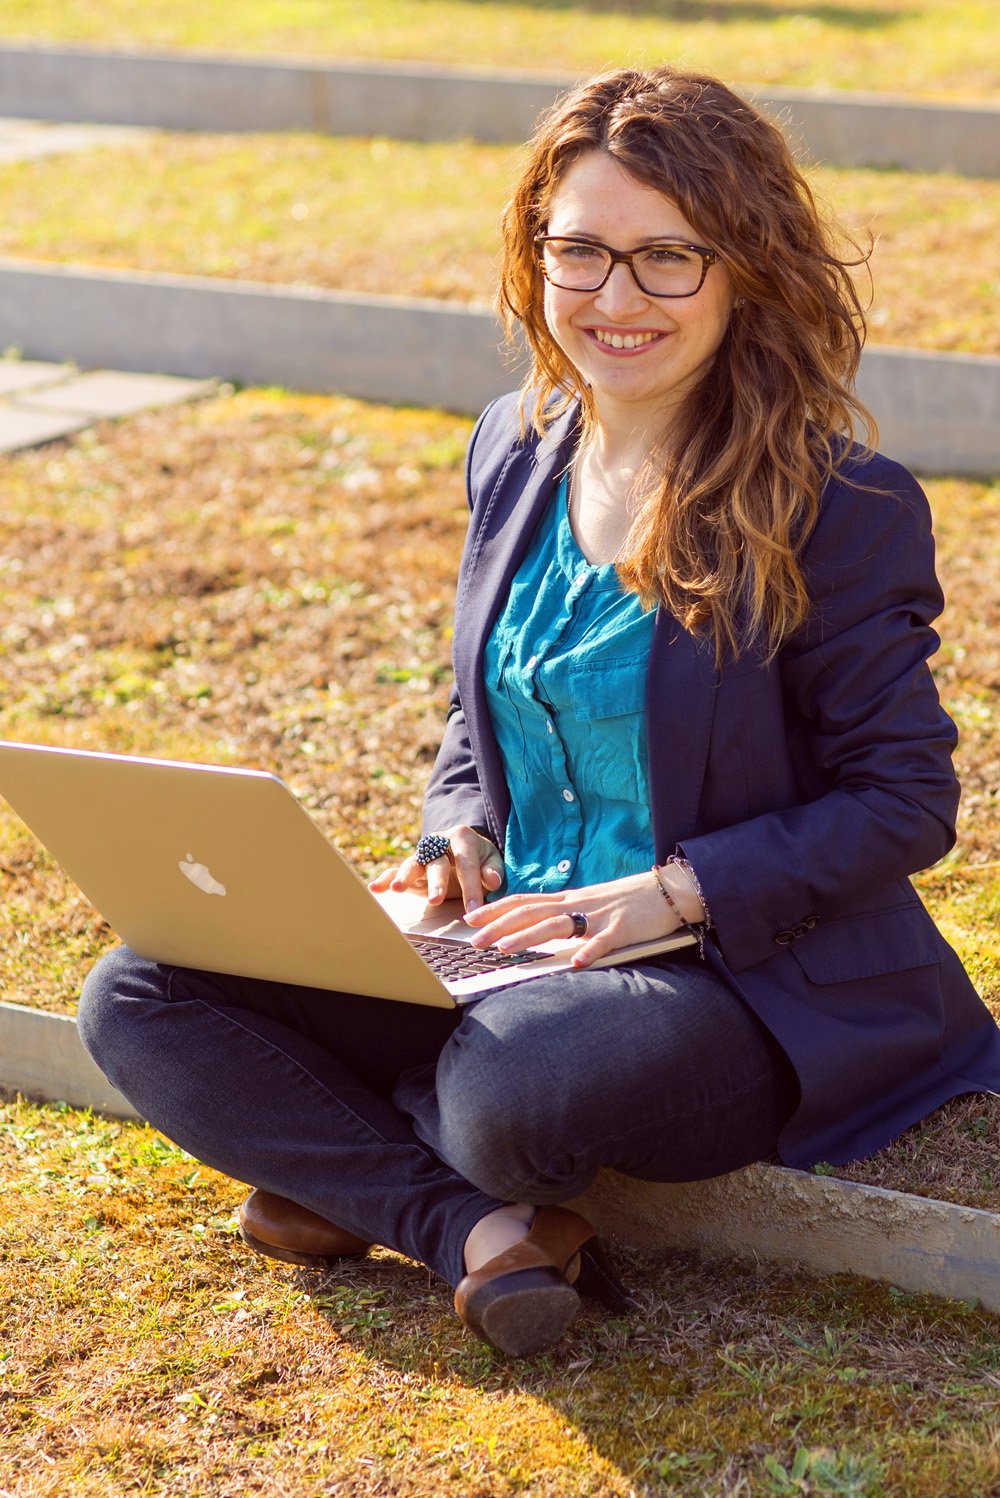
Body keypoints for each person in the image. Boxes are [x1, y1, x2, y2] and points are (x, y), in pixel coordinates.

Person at [78, 65, 1000, 1360]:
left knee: (505, 1089)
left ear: (742, 266)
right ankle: (475, 1233)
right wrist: (456, 826)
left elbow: (906, 802)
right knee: (142, 988)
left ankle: (365, 1170)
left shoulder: (840, 501)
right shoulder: (513, 441)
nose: (616, 298)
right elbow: (484, 712)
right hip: (511, 941)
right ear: (536, 255)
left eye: (666, 257)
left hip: (725, 980)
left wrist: (673, 893)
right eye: (581, 251)